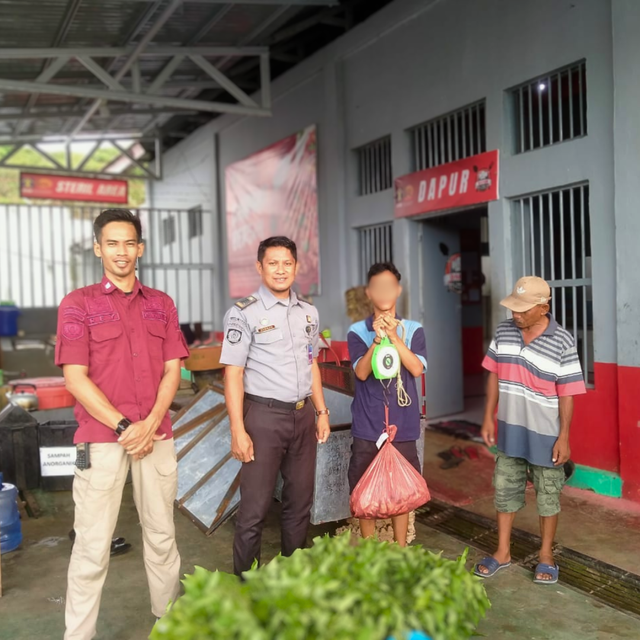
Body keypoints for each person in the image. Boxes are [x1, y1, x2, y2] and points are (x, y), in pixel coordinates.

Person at [55, 209, 190, 640]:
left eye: (129, 242)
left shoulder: (162, 304)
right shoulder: (78, 304)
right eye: (111, 243)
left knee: (162, 538)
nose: (121, 251)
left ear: (140, 249)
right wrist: (123, 427)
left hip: (157, 436)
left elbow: (174, 371)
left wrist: (149, 424)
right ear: (98, 248)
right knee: (91, 548)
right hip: (102, 439)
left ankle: (168, 625)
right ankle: (79, 635)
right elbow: (74, 377)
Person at [220, 236, 331, 575]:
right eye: (273, 263)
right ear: (260, 267)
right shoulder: (244, 314)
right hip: (263, 419)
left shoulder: (309, 312)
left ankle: (292, 579)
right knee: (254, 509)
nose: (280, 270)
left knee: (299, 504)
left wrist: (322, 411)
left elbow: (311, 362)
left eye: (287, 263)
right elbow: (233, 374)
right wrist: (238, 430)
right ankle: (246, 585)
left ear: (296, 267)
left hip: (302, 418)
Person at [475, 276, 586, 584]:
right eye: (514, 308)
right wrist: (487, 417)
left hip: (546, 436)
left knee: (548, 496)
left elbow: (567, 392)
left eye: (523, 310)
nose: (516, 315)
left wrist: (563, 436)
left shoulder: (562, 340)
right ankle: (502, 551)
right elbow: (494, 376)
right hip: (510, 432)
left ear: (543, 307)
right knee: (504, 492)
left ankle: (546, 556)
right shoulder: (503, 332)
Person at [347, 262, 427, 546]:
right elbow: (361, 372)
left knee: (402, 490)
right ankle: (369, 549)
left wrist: (394, 337)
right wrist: (376, 341)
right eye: (377, 286)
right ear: (369, 292)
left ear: (398, 290)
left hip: (403, 423)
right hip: (369, 425)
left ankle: (401, 548)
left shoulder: (413, 329)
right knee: (364, 486)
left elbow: (417, 369)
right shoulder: (358, 331)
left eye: (389, 286)